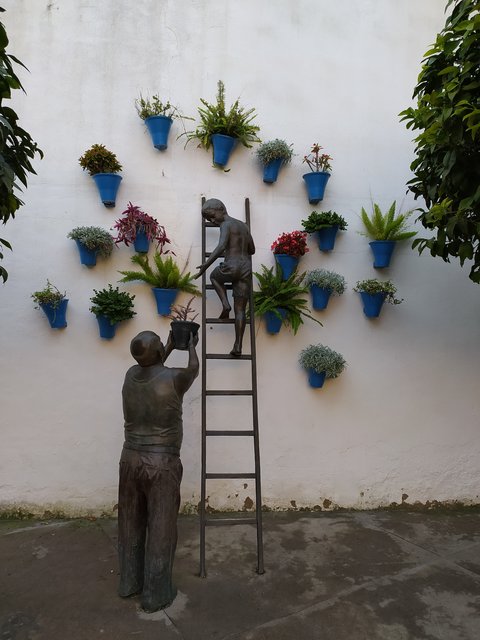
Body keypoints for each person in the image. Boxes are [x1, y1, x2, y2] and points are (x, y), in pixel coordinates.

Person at [117, 329, 199, 613]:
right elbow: (193, 369)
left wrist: (167, 344)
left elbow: (151, 362)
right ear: (160, 354)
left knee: (130, 522)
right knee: (161, 527)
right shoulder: (175, 378)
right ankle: (155, 593)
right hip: (161, 463)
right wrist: (189, 346)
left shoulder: (130, 375)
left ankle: (129, 582)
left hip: (129, 459)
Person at [195, 198, 255, 356]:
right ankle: (238, 346)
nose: (212, 221)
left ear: (221, 209)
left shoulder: (226, 224)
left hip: (231, 266)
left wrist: (205, 265)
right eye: (209, 220)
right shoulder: (244, 226)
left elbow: (221, 246)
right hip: (246, 269)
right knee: (241, 309)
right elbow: (252, 249)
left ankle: (225, 304)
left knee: (214, 277)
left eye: (212, 216)